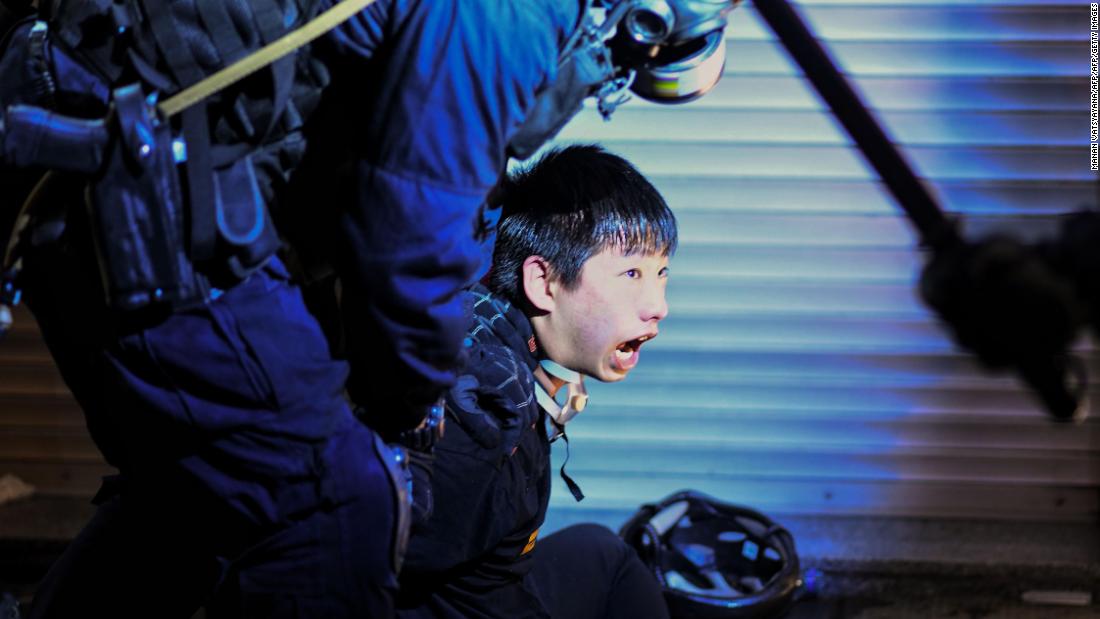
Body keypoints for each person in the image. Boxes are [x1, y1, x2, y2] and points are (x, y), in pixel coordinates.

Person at [0, 1, 738, 617]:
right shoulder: (506, 11)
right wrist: (410, 401)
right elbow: (410, 228)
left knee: (214, 477)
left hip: (129, 166)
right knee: (335, 505)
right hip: (133, 183)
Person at [395, 144, 677, 619]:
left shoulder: (495, 327)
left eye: (661, 272)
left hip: (504, 588)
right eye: (631, 272)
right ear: (543, 283)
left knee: (603, 553)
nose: (658, 305)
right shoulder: (483, 418)